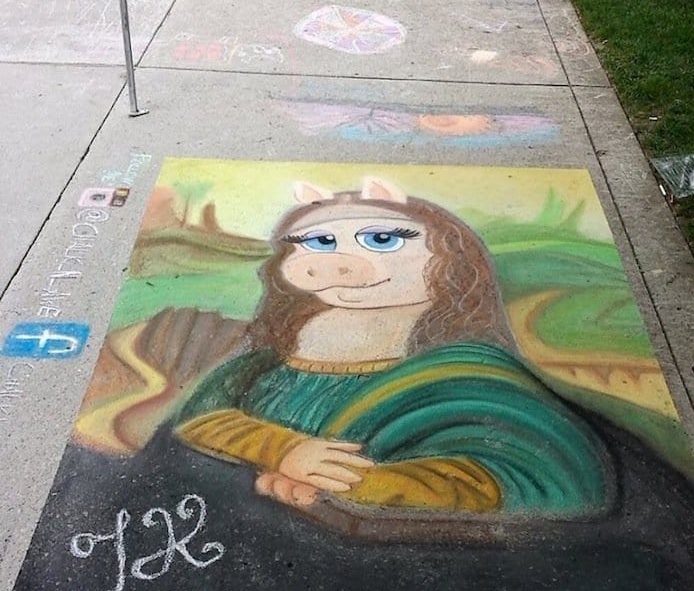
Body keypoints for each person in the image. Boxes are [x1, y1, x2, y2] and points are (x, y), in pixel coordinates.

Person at [175, 177, 613, 519]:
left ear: (448, 259)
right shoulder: (269, 361)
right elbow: (202, 417)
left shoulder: (468, 374)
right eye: (319, 243)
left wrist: (355, 486)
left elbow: (537, 473)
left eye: (382, 240)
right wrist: (281, 450)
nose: (338, 262)